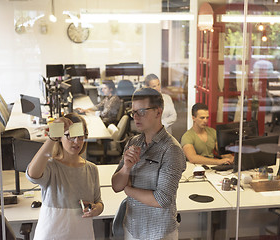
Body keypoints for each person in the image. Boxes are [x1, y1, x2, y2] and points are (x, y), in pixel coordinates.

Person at [111, 88, 186, 240]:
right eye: (134, 112)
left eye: (142, 111)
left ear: (158, 112)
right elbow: (115, 185)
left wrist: (129, 189)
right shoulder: (134, 142)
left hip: (158, 233)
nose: (136, 117)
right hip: (132, 228)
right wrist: (126, 168)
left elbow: (162, 200)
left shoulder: (171, 149)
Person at [26, 113, 104, 240]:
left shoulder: (91, 169)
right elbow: (32, 175)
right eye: (70, 136)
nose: (77, 141)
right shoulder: (51, 167)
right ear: (60, 137)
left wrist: (97, 209)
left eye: (81, 136)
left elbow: (98, 202)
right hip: (52, 235)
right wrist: (52, 138)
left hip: (82, 234)